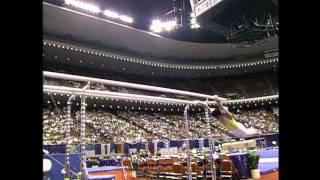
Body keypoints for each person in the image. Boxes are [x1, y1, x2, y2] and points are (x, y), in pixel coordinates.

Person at [194, 96, 261, 138]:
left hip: (239, 130)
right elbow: (219, 108)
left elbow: (220, 108)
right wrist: (216, 100)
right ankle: (205, 104)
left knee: (219, 112)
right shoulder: (222, 118)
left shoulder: (225, 117)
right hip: (239, 130)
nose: (218, 118)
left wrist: (216, 100)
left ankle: (257, 131)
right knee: (216, 112)